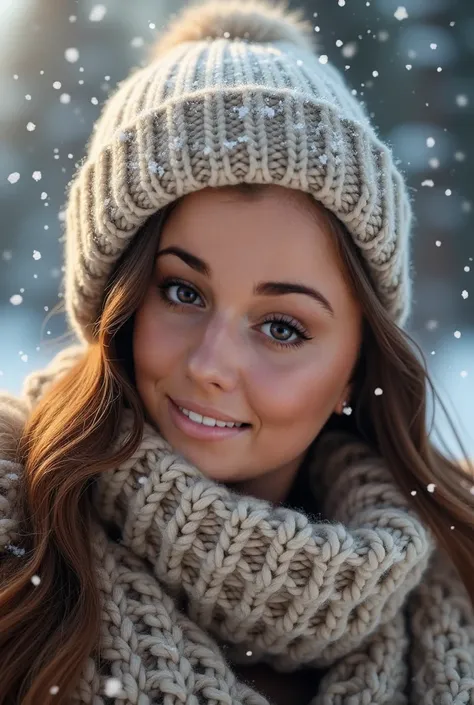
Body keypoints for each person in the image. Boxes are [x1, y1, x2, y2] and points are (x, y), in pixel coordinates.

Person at [1, 1, 473, 703]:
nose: (210, 364)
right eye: (181, 292)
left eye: (282, 327)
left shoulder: (456, 571)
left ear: (356, 364)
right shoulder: (18, 531)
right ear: (115, 300)